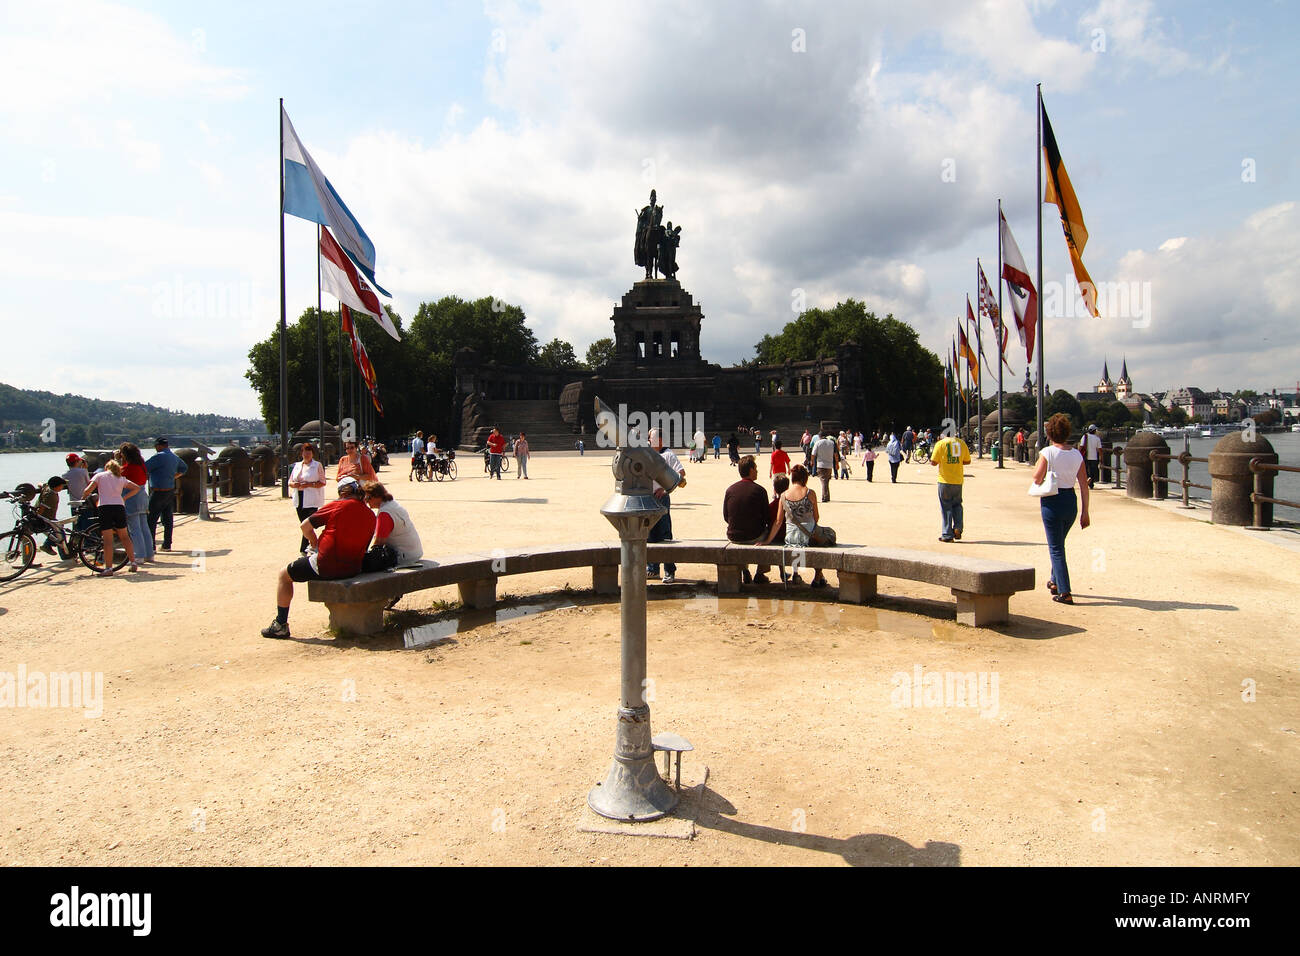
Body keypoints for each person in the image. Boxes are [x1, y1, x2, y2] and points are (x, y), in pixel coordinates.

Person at [261, 477, 377, 639]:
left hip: (326, 565)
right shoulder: (371, 515)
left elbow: (305, 526)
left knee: (284, 575)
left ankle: (280, 624)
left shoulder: (338, 505)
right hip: (354, 568)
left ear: (342, 492)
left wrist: (314, 544)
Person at [1033, 413, 1091, 605]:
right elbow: (1083, 485)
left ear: (1049, 433)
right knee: (1059, 543)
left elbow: (1036, 478)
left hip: (1052, 501)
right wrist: (1085, 512)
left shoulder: (1047, 453)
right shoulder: (1076, 455)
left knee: (1056, 548)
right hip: (1070, 502)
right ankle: (1055, 582)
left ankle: (1065, 591)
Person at [761, 464, 828, 588]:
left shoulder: (784, 495)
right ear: (805, 478)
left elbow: (778, 521)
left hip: (791, 537)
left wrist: (768, 540)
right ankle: (818, 576)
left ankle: (798, 573)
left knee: (801, 539)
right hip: (808, 537)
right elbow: (816, 517)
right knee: (821, 540)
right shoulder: (810, 493)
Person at [82, 459, 141, 574]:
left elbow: (88, 490)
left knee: (108, 539)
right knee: (124, 536)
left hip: (105, 507)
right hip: (119, 507)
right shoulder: (121, 478)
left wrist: (83, 498)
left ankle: (108, 568)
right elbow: (136, 488)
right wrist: (125, 498)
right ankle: (133, 562)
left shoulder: (99, 476)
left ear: (106, 468)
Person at [723, 455, 771, 584]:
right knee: (768, 535)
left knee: (744, 534)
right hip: (754, 535)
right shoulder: (760, 490)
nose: (757, 471)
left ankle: (745, 570)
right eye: (755, 468)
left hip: (733, 535)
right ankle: (760, 573)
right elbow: (767, 517)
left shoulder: (730, 490)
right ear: (750, 470)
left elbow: (726, 516)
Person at [646, 428, 685, 585]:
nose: (649, 440)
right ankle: (653, 568)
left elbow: (681, 473)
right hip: (648, 498)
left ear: (660, 440)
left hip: (661, 499)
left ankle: (669, 570)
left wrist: (666, 488)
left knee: (665, 533)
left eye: (651, 437)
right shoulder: (647, 453)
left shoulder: (668, 454)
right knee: (649, 533)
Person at [362, 481, 423, 565]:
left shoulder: (385, 513)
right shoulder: (393, 504)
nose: (366, 501)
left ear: (377, 496)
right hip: (414, 552)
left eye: (368, 498)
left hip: (403, 556)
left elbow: (379, 542)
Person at [145, 437, 188, 552]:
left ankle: (151, 546)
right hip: (170, 490)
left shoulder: (158, 456)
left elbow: (144, 467)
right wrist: (174, 476)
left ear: (159, 446)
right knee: (168, 518)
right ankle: (167, 544)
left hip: (158, 491)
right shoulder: (174, 457)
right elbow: (184, 468)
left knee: (151, 519)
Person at [929, 430, 972, 542]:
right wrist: (957, 461)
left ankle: (947, 534)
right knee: (957, 505)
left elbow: (933, 462)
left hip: (944, 480)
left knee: (946, 507)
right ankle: (958, 528)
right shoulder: (961, 443)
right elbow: (967, 461)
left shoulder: (941, 444)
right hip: (958, 480)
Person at [289, 443, 328, 553]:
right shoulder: (297, 465)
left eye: (309, 452)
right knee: (303, 523)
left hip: (311, 498)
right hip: (299, 497)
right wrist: (294, 484)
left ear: (312, 454)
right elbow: (290, 481)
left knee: (307, 524)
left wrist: (309, 485)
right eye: (305, 452)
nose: (306, 455)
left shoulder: (317, 465)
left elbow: (322, 482)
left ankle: (306, 547)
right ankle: (313, 545)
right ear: (301, 453)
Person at [119, 443, 154, 563]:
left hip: (131, 498)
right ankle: (149, 554)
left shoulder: (127, 468)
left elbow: (116, 475)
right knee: (144, 527)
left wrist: (116, 461)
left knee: (134, 528)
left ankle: (139, 555)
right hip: (143, 496)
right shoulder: (141, 465)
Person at [811, 428, 836, 502]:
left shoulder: (818, 443)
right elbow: (835, 454)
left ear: (820, 436)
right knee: (826, 481)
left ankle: (824, 497)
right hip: (829, 465)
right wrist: (836, 463)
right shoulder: (831, 443)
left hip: (821, 464)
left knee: (823, 481)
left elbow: (813, 454)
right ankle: (827, 496)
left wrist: (812, 461)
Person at [1080, 424, 1102, 488]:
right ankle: (1091, 484)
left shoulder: (1085, 436)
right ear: (1094, 430)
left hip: (1085, 456)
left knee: (1086, 470)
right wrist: (1101, 457)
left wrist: (1079, 454)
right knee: (1093, 471)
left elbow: (1081, 446)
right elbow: (1100, 449)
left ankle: (1088, 478)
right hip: (1094, 457)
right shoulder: (1097, 438)